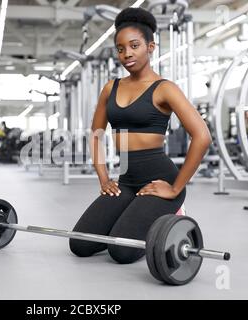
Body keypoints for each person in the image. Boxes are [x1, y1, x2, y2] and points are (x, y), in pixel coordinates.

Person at [69, 7, 212, 264]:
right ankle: (134, 214)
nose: (127, 54)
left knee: (121, 252)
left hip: (159, 181)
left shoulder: (164, 89)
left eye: (134, 45)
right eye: (121, 48)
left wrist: (176, 186)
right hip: (125, 181)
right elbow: (96, 134)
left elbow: (202, 136)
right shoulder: (110, 88)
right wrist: (103, 178)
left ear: (150, 46)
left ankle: (173, 211)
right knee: (80, 244)